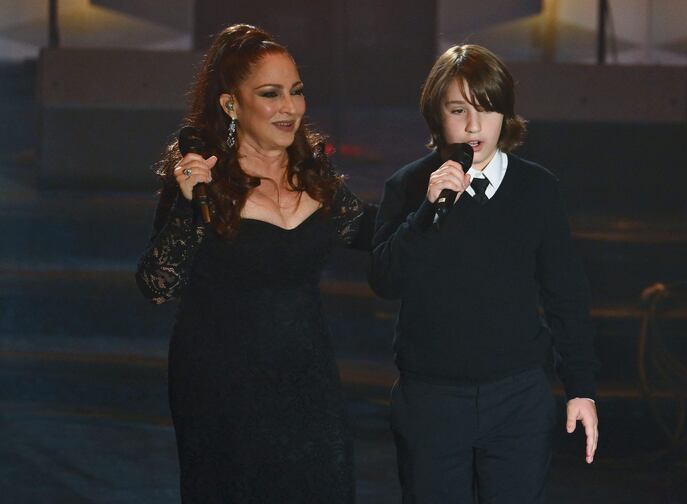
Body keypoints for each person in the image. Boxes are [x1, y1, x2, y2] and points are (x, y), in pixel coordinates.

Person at [136, 24, 374, 503]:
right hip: (220, 384)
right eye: (271, 94)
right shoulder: (202, 184)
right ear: (230, 105)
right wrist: (188, 208)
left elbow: (373, 232)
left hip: (306, 377)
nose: (290, 107)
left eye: (297, 91)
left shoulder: (315, 174)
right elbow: (157, 285)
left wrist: (437, 197)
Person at [368, 44, 600, 503]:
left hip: (516, 397)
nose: (475, 126)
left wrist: (581, 389)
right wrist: (427, 213)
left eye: (488, 109)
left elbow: (565, 294)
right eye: (459, 109)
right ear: (438, 116)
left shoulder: (537, 189)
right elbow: (384, 281)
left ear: (505, 116)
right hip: (430, 398)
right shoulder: (409, 186)